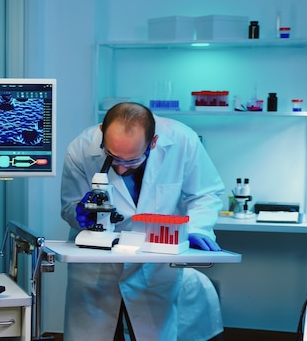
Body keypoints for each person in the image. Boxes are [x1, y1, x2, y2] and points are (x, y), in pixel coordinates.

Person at [60, 102, 225, 341]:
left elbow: (205, 193)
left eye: (131, 161)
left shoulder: (183, 140)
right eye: (113, 157)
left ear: (154, 142)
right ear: (101, 132)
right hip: (97, 267)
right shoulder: (81, 148)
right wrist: (80, 215)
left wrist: (196, 228)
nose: (120, 167)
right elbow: (68, 206)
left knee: (152, 332)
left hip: (155, 262)